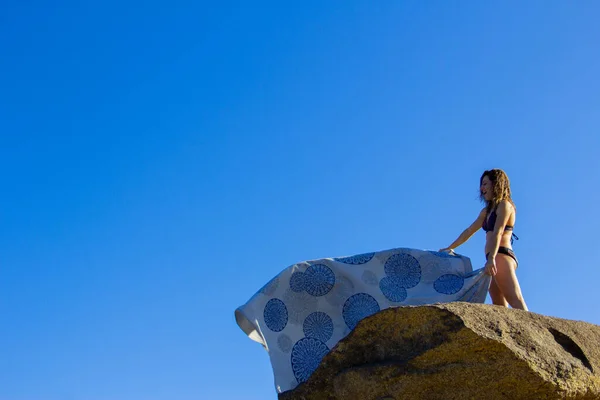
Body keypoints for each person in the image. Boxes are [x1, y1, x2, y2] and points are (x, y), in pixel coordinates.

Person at [439, 169, 528, 311]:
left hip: (501, 255)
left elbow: (498, 232)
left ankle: (533, 330)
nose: (482, 188)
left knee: (515, 300)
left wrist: (492, 258)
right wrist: (450, 247)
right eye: (482, 185)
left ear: (496, 184)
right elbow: (469, 231)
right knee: (500, 307)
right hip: (492, 258)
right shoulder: (486, 211)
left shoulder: (505, 205)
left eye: (485, 184)